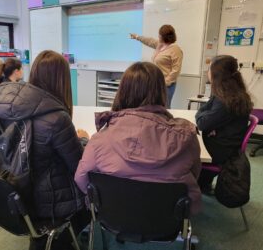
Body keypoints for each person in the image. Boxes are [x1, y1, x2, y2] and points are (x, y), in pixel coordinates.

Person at [0, 50, 90, 250]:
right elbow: (80, 168)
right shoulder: (57, 119)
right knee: (92, 200)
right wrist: (83, 140)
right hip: (43, 207)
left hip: (2, 199)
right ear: (63, 80)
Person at [75, 61, 201, 214]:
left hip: (114, 217)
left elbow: (82, 179)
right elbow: (195, 175)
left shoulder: (100, 139)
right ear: (161, 91)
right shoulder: (186, 137)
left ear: (122, 91)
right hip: (169, 218)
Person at [195, 55, 253, 194]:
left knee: (185, 149)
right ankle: (202, 184)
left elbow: (202, 122)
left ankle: (194, 186)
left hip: (223, 150)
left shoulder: (225, 100)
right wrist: (209, 124)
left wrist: (208, 124)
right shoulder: (228, 94)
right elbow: (202, 113)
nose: (207, 72)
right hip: (226, 143)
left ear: (217, 75)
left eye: (209, 69)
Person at [130, 25, 183, 108]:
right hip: (155, 83)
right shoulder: (160, 45)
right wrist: (137, 37)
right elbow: (149, 41)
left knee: (164, 107)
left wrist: (165, 83)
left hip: (167, 85)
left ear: (164, 36)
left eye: (160, 35)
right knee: (154, 107)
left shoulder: (175, 49)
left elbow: (176, 70)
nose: (158, 36)